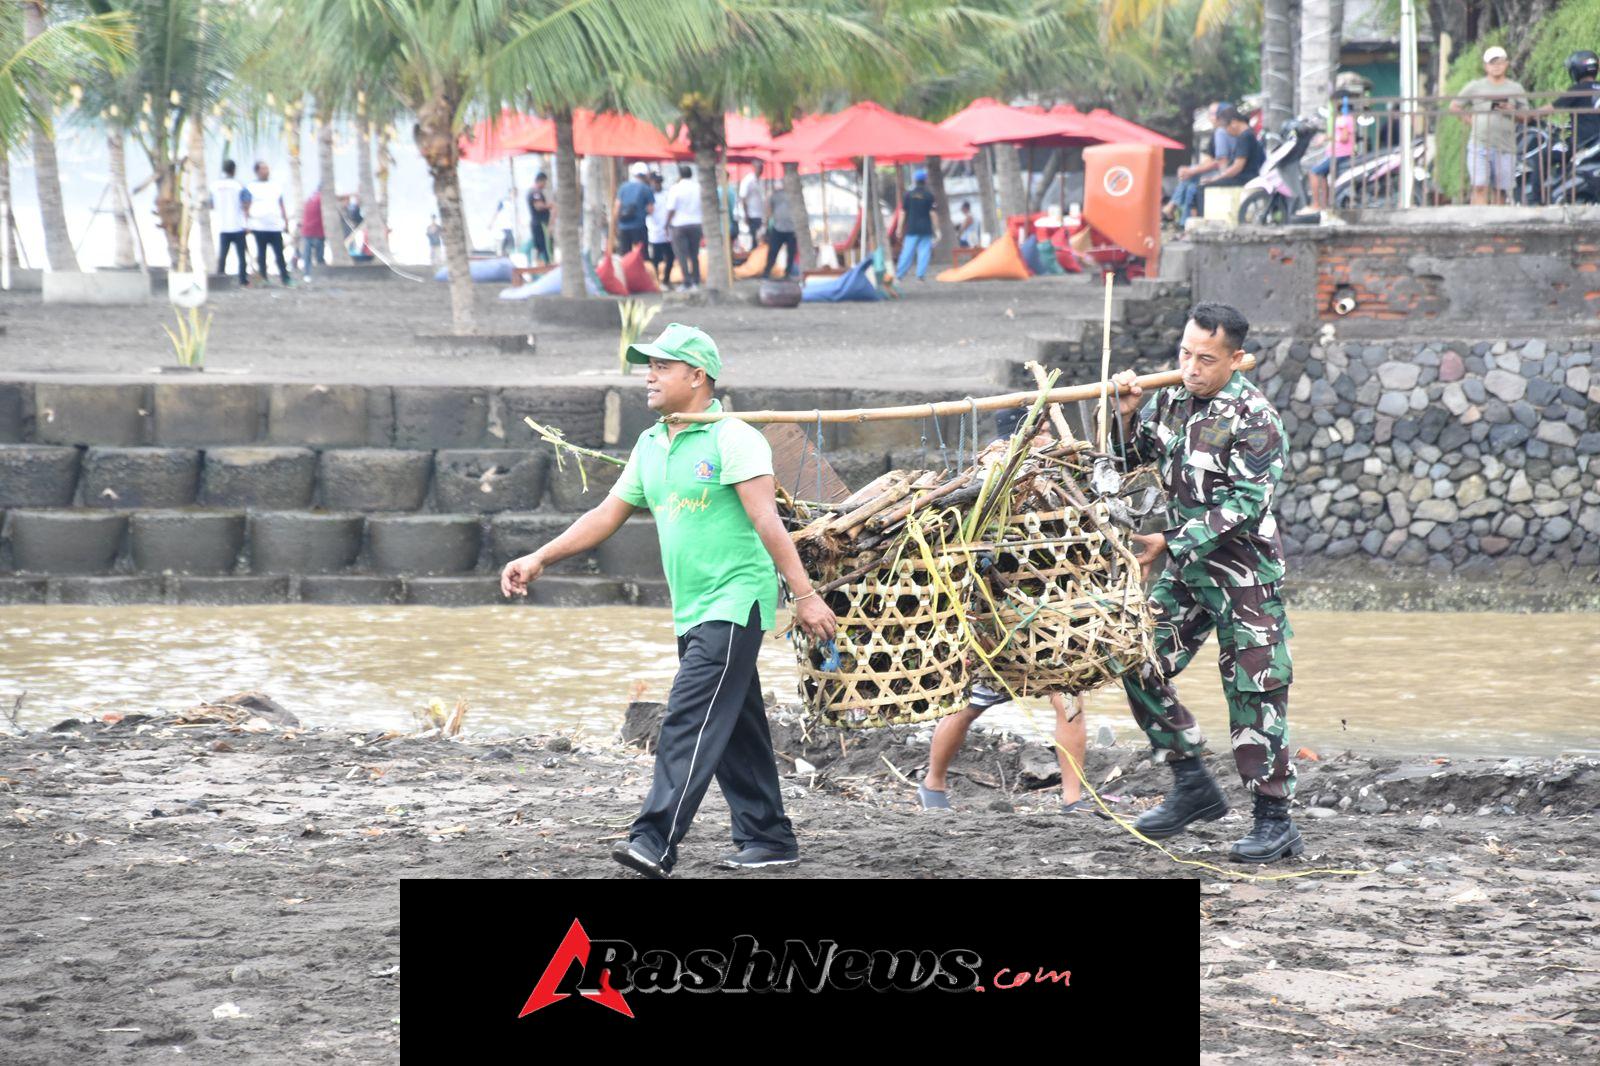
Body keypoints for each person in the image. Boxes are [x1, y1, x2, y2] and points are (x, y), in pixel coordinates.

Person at [500, 323, 837, 879]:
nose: (649, 376)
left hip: (735, 603)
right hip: (692, 606)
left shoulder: (734, 437)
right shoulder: (652, 442)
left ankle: (654, 840)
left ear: (697, 376)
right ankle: (769, 838)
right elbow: (607, 515)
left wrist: (804, 596)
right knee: (733, 723)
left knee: (689, 717)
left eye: (662, 366)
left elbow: (765, 520)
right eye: (647, 366)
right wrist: (540, 557)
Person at [1104, 303, 1299, 864]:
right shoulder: (1170, 399)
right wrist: (1125, 414)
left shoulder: (1254, 418)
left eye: (1206, 359)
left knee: (1254, 691)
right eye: (1185, 354)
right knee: (1133, 655)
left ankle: (1274, 821)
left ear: (1236, 359)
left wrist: (1170, 540)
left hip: (1244, 575)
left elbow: (1244, 504)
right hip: (1188, 574)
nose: (1190, 367)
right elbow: (1131, 462)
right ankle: (1191, 781)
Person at [919, 411, 1096, 814]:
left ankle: (1073, 799)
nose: (1049, 441)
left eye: (1050, 432)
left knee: (1067, 699)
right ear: (1017, 438)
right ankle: (932, 784)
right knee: (971, 702)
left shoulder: (1059, 479)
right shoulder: (991, 479)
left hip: (1051, 614)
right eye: (1043, 433)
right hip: (999, 619)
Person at [1449, 45, 1529, 206]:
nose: (1496, 66)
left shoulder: (1515, 88)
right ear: (1486, 66)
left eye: (1500, 62)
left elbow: (1526, 117)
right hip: (1479, 144)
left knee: (1500, 190)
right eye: (1492, 63)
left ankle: (1497, 228)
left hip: (1505, 146)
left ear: (1506, 64)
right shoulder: (1475, 86)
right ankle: (1478, 225)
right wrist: (1472, 121)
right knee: (1479, 186)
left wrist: (1511, 110)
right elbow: (1454, 107)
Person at [1168, 102, 1236, 227]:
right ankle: (1182, 220)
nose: (1212, 117)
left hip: (1225, 173)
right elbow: (1209, 159)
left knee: (1192, 181)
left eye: (1214, 114)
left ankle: (1175, 210)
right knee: (1190, 184)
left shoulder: (1222, 133)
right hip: (1221, 171)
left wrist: (1193, 171)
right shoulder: (1217, 134)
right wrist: (1191, 170)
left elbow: (1220, 161)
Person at [1198, 107, 1265, 199]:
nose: (1227, 131)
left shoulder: (1245, 137)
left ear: (1233, 122)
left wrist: (1217, 178)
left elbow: (1237, 167)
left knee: (1202, 189)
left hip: (1244, 178)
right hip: (1246, 177)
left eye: (1226, 127)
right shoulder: (1248, 134)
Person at [246, 161, 291, 287]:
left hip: (275, 225)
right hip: (259, 226)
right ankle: (263, 278)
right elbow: (246, 205)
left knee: (279, 253)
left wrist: (285, 221)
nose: (266, 171)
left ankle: (285, 278)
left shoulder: (276, 186)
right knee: (261, 253)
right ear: (257, 171)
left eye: (267, 168)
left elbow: (281, 204)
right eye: (263, 168)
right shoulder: (251, 187)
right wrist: (247, 223)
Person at [1309, 96, 1357, 210]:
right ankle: (1325, 204)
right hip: (1339, 153)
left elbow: (1344, 137)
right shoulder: (1348, 118)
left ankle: (1316, 204)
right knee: (1323, 175)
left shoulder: (1344, 119)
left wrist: (1327, 138)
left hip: (1339, 154)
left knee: (1314, 173)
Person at [210, 159, 250, 287]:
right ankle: (243, 280)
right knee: (241, 256)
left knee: (223, 255)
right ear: (234, 170)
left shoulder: (215, 186)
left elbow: (210, 204)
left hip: (223, 226)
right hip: (237, 225)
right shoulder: (238, 185)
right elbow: (247, 202)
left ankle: (220, 278)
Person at [894, 168, 939, 281]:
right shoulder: (929, 195)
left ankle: (899, 274)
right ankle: (920, 275)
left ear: (915, 180)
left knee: (907, 252)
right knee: (924, 252)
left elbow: (903, 213)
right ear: (925, 180)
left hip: (912, 228)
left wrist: (899, 228)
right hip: (926, 229)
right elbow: (932, 214)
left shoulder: (908, 195)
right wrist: (937, 230)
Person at [664, 164, 703, 290]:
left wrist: (666, 224)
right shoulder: (698, 187)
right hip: (696, 224)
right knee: (694, 254)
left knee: (682, 255)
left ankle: (687, 281)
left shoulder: (676, 188)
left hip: (679, 225)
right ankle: (696, 281)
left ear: (680, 175)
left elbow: (671, 209)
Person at [615, 161, 655, 255]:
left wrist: (617, 224)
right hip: (639, 226)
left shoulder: (623, 187)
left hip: (623, 227)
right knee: (641, 255)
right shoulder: (646, 189)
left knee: (625, 255)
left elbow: (617, 207)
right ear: (645, 175)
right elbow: (651, 209)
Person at [762, 177, 798, 279]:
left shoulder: (795, 195)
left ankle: (788, 273)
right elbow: (768, 208)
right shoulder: (775, 194)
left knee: (791, 253)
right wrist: (766, 224)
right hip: (778, 228)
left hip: (792, 229)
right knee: (773, 252)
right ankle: (767, 272)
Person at [645, 170, 675, 283]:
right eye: (655, 182)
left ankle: (666, 279)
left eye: (659, 182)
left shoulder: (667, 194)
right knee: (656, 259)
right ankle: (656, 280)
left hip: (667, 231)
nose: (657, 184)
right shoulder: (648, 195)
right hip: (654, 231)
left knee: (670, 257)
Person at [526, 172, 553, 265]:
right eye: (544, 182)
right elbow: (538, 206)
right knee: (545, 246)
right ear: (540, 181)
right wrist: (549, 206)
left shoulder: (534, 191)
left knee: (539, 247)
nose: (545, 185)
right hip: (540, 223)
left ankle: (540, 265)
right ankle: (546, 265)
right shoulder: (535, 192)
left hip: (537, 223)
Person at [738, 160, 765, 250]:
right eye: (759, 167)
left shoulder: (760, 181)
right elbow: (743, 198)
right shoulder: (748, 180)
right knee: (754, 238)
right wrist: (746, 214)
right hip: (751, 214)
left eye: (761, 168)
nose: (761, 170)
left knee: (759, 238)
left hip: (759, 213)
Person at [300, 190, 326, 281]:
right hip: (318, 231)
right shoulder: (322, 199)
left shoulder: (310, 199)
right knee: (319, 255)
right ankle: (320, 273)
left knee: (307, 255)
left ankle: (307, 274)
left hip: (307, 230)